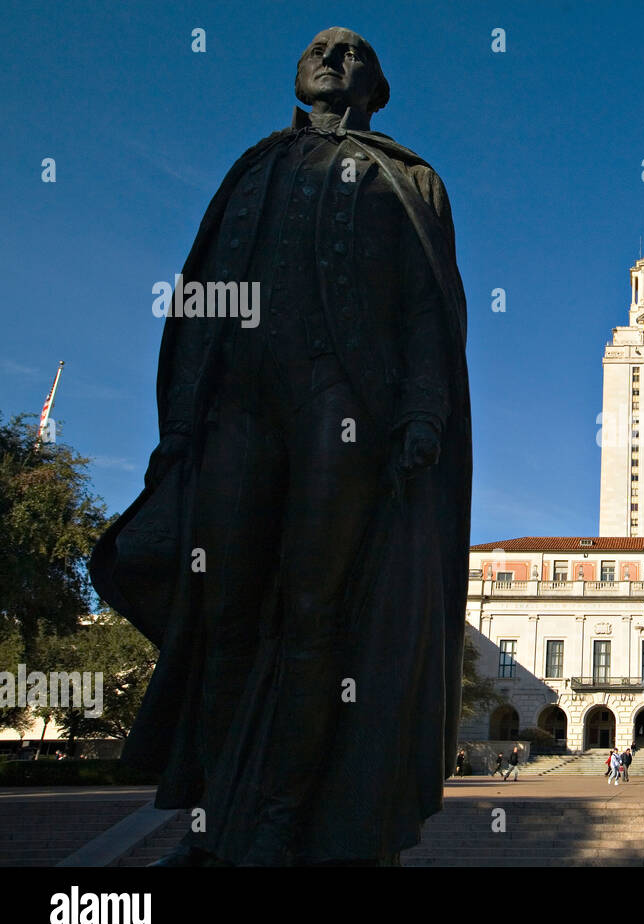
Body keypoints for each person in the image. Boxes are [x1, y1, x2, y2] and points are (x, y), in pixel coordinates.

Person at [88, 27, 471, 866]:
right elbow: (201, 299)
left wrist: (423, 413)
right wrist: (182, 420)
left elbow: (425, 310)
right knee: (226, 607)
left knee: (313, 611)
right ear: (298, 76)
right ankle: (219, 810)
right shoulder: (252, 168)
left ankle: (278, 818)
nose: (333, 54)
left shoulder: (407, 179)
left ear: (376, 86)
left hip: (346, 398)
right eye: (319, 46)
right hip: (240, 403)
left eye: (355, 50)